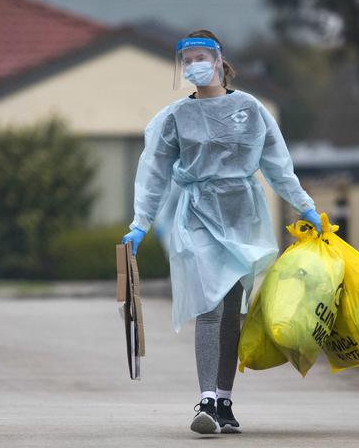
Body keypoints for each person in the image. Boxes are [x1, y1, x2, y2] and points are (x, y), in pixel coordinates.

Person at [121, 29, 322, 435]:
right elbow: (154, 173)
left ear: (218, 61)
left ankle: (224, 401)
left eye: (200, 55)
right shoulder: (174, 118)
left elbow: (277, 164)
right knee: (208, 307)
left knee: (233, 310)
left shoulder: (251, 109)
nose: (193, 64)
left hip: (243, 216)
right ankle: (207, 399)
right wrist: (141, 222)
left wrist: (305, 205)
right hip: (196, 216)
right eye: (187, 58)